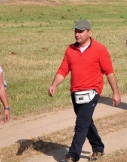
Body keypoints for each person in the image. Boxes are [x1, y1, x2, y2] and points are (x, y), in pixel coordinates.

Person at [48, 20, 121, 162]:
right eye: (76, 31)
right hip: (76, 92)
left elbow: (109, 72)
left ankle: (73, 155)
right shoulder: (70, 49)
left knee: (81, 123)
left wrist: (115, 92)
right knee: (86, 122)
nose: (77, 34)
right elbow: (63, 69)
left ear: (89, 32)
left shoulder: (100, 49)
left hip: (92, 92)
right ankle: (98, 147)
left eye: (81, 31)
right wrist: (54, 84)